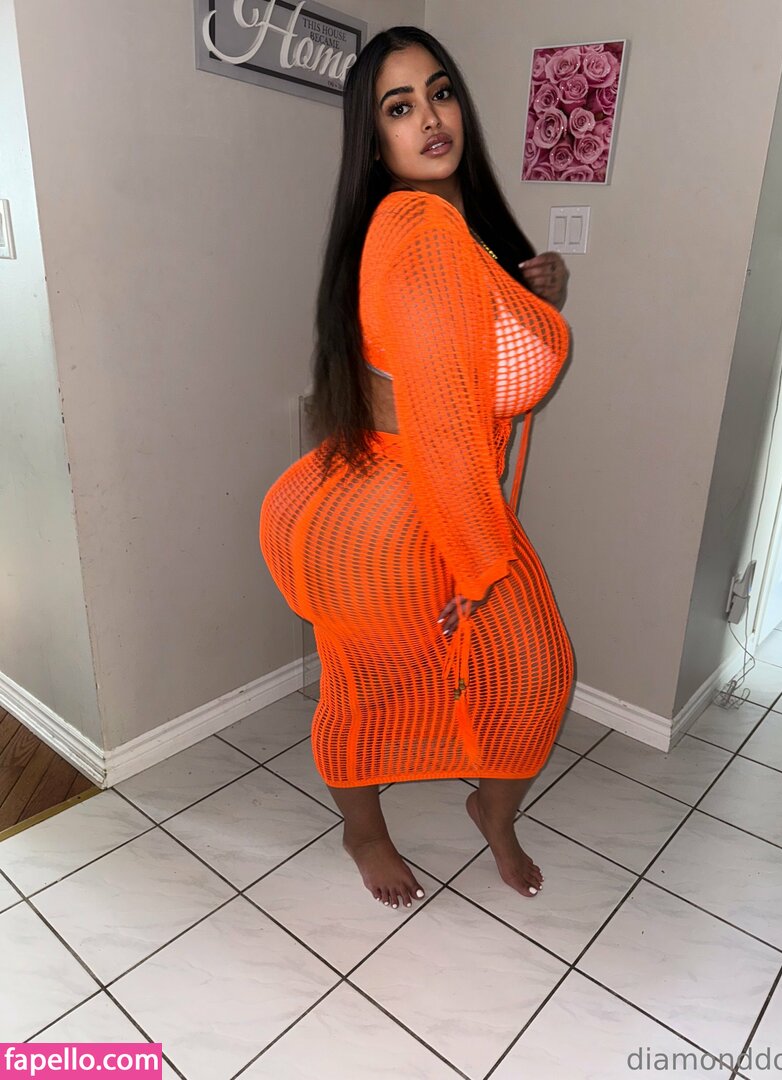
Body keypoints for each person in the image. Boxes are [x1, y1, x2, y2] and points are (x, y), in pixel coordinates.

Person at [260, 26, 574, 912]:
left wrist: (536, 298)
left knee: (533, 668)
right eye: (399, 108)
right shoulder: (421, 227)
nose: (431, 118)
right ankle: (365, 831)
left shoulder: (451, 228)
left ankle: (489, 809)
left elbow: (467, 361)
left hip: (417, 497)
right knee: (376, 684)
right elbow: (440, 418)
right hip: (394, 518)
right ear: (374, 140)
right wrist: (474, 564)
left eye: (440, 93)